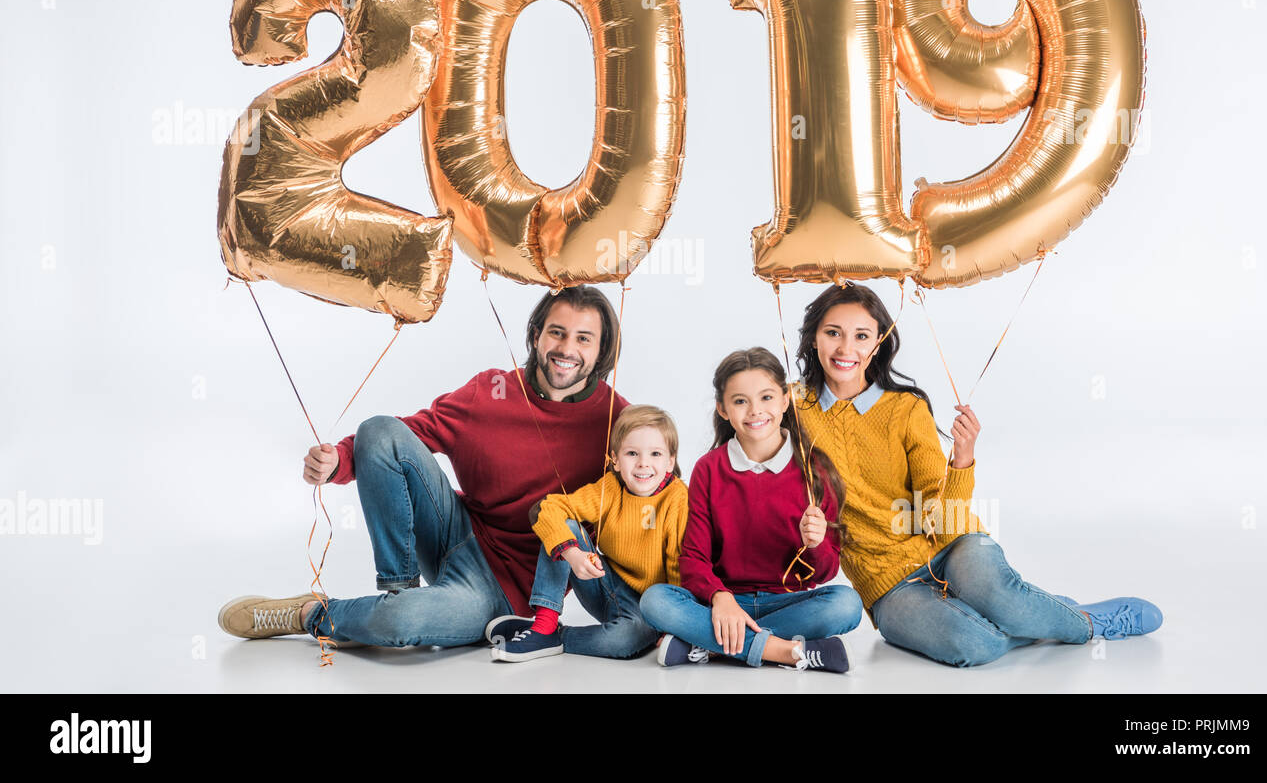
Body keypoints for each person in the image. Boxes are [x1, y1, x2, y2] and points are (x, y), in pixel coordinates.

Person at [216, 286, 629, 652]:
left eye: (583, 338)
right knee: (378, 430)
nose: (566, 348)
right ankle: (399, 588)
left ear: (601, 348)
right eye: (557, 332)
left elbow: (661, 493)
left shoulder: (618, 421)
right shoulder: (492, 391)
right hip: (455, 531)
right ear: (537, 334)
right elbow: (405, 437)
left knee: (399, 624)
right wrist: (337, 462)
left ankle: (313, 614)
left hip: (502, 593)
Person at [793, 281, 1163, 667]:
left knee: (1001, 597)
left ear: (879, 342)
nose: (845, 349)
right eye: (832, 332)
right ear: (814, 338)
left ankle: (1087, 622)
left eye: (861, 336)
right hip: (888, 588)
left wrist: (962, 461)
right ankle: (1042, 614)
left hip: (951, 546)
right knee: (975, 646)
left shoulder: (905, 409)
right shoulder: (792, 410)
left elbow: (938, 517)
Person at [640, 348, 863, 674]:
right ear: (723, 409)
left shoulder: (814, 470)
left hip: (788, 601)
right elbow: (693, 560)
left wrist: (815, 545)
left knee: (847, 605)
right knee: (655, 601)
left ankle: (712, 647)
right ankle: (788, 652)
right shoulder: (709, 469)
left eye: (767, 397)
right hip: (724, 603)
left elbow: (827, 572)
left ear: (785, 400)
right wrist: (721, 597)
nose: (755, 411)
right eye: (741, 401)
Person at [491, 404, 689, 662]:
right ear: (615, 460)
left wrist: (671, 625)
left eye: (655, 454)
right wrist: (573, 554)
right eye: (632, 453)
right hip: (605, 586)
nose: (643, 464)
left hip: (649, 608)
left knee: (623, 641)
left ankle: (553, 635)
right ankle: (544, 623)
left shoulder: (677, 499)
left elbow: (678, 565)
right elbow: (549, 508)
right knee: (566, 526)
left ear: (670, 461)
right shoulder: (609, 488)